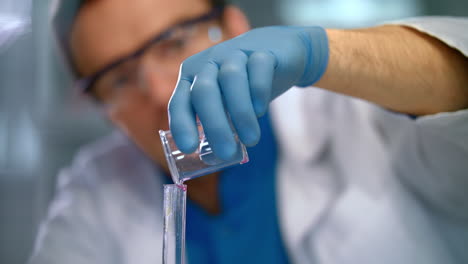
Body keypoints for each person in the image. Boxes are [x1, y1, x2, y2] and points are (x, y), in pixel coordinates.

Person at [30, 0, 468, 262]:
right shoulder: (91, 199)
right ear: (101, 109)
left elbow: (455, 97)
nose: (162, 92)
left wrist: (320, 53)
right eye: (119, 79)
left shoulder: (355, 119)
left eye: (175, 42)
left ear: (237, 27)